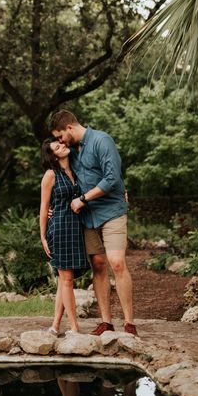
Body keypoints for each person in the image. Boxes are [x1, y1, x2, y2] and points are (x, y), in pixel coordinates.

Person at [49, 110, 137, 337]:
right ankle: (106, 322)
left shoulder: (101, 140)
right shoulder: (72, 152)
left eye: (60, 136)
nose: (59, 141)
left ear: (69, 128)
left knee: (117, 262)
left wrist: (83, 199)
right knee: (98, 265)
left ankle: (129, 323)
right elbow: (65, 179)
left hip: (111, 212)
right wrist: (54, 205)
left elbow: (112, 177)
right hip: (88, 217)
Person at [40, 137, 90, 336]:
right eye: (57, 147)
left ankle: (55, 325)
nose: (62, 146)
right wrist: (43, 236)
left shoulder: (76, 170)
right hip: (59, 229)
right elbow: (44, 207)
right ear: (53, 156)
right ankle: (74, 328)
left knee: (64, 280)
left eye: (61, 144)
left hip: (75, 228)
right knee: (67, 279)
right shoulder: (51, 175)